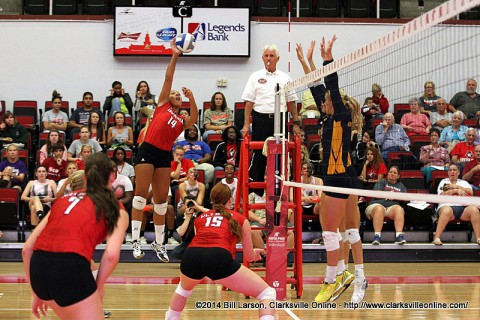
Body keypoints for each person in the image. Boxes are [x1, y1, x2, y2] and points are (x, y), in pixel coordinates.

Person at [299, 37, 367, 304]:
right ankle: (356, 277)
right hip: (343, 176)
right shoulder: (328, 117)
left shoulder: (339, 115)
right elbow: (316, 85)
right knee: (350, 231)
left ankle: (331, 279)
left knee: (329, 231)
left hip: (338, 177)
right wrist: (307, 62)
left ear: (334, 104)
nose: (323, 101)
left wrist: (328, 59)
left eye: (326, 100)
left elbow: (331, 86)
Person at [22, 153, 128, 320]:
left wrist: (37, 291)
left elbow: (27, 248)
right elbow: (112, 255)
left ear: (85, 176)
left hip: (38, 268)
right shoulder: (116, 207)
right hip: (70, 267)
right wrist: (98, 287)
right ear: (112, 176)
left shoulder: (62, 200)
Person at [165, 183, 275, 320]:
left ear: (212, 200)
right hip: (218, 257)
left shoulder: (199, 219)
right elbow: (249, 256)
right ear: (230, 199)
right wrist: (254, 253)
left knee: (183, 290)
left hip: (191, 256)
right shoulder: (240, 219)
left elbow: (202, 242)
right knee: (267, 293)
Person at [131, 38, 198, 262]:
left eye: (179, 95)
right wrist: (175, 55)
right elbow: (169, 78)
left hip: (163, 154)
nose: (176, 95)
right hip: (147, 150)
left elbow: (194, 119)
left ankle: (159, 244)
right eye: (175, 94)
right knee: (140, 196)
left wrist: (192, 98)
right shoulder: (162, 105)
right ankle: (135, 239)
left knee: (161, 202)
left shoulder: (181, 120)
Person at [241, 43, 300, 196]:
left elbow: (292, 101)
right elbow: (248, 102)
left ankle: (280, 191)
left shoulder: (285, 77)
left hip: (280, 119)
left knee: (280, 154)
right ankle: (257, 193)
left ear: (277, 58)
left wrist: (296, 123)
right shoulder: (255, 76)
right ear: (262, 58)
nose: (268, 58)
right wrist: (247, 124)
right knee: (259, 155)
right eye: (266, 56)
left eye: (271, 56)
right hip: (260, 119)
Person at [433, 164, 480, 245]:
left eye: (454, 170)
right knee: (446, 210)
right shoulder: (443, 182)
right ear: (447, 172)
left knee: (474, 209)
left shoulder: (464, 182)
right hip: (447, 207)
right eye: (450, 170)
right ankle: (437, 237)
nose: (452, 172)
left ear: (458, 172)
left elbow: (470, 192)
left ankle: (478, 238)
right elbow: (441, 195)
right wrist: (456, 191)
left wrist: (456, 186)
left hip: (463, 209)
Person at [365, 166, 407, 245]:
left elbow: (405, 198)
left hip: (391, 208)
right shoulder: (382, 182)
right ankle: (377, 236)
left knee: (399, 209)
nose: (392, 174)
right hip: (376, 205)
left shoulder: (401, 186)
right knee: (379, 209)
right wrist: (393, 195)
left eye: (394, 173)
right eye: (390, 172)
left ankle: (399, 236)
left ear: (398, 176)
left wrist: (393, 195)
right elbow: (377, 194)